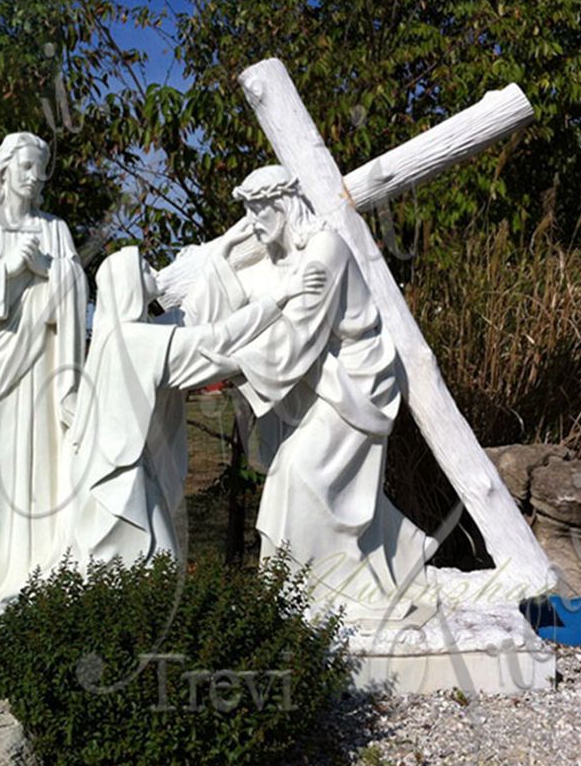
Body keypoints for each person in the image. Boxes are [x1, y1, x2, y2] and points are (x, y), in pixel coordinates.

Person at [182, 165, 434, 628]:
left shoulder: (324, 249)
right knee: (296, 477)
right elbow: (249, 303)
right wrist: (225, 252)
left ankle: (335, 590)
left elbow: (298, 333)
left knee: (302, 475)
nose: (254, 222)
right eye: (248, 212)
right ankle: (359, 571)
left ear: (284, 206)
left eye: (260, 211)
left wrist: (224, 363)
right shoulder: (282, 256)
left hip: (355, 381)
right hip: (324, 379)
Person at [68, 245, 325, 569]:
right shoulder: (136, 341)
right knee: (148, 567)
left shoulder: (119, 335)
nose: (153, 270)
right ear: (130, 283)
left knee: (147, 568)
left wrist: (225, 254)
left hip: (117, 473)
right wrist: (283, 295)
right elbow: (214, 339)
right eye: (144, 267)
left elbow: (192, 316)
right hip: (118, 483)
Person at [0, 131, 88, 611]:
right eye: (25, 167)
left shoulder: (55, 229)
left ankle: (42, 573)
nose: (34, 177)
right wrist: (6, 268)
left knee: (45, 465)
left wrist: (51, 269)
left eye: (39, 168)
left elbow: (74, 288)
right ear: (4, 169)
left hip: (46, 365)